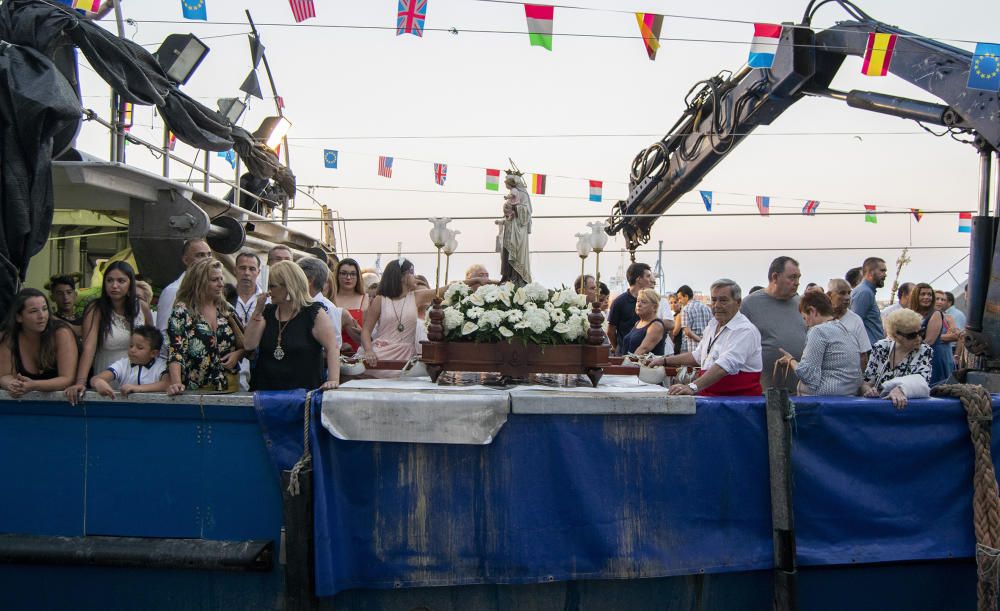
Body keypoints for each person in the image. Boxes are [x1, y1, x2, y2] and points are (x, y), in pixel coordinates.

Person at [650, 279, 763, 396]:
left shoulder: (744, 330)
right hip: (712, 398)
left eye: (723, 300)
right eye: (714, 300)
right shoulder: (713, 325)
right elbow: (697, 356)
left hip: (737, 403)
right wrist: (664, 361)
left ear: (738, 302)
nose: (717, 305)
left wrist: (692, 387)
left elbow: (724, 366)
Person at [66, 261, 154, 404]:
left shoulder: (142, 307)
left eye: (121, 281)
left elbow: (153, 344)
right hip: (105, 377)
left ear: (130, 283)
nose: (114, 285)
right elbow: (89, 348)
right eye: (109, 280)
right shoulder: (96, 308)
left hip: (137, 380)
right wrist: (80, 382)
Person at [244, 261, 340, 391]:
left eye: (272, 286)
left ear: (288, 287)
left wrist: (333, 380)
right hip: (266, 392)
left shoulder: (314, 313)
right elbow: (249, 344)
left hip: (301, 395)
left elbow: (332, 347)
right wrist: (257, 311)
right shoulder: (267, 312)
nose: (269, 291)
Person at [164, 258, 244, 394]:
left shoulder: (226, 309)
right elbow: (176, 352)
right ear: (198, 282)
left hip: (229, 388)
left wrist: (238, 354)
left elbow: (245, 343)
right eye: (214, 280)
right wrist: (176, 383)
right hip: (195, 390)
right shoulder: (182, 312)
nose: (221, 284)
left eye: (221, 279)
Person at [775, 291, 862, 396]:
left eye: (805, 318)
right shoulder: (846, 331)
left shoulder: (818, 331)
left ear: (812, 311)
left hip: (822, 400)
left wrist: (790, 360)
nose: (806, 324)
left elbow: (808, 375)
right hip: (848, 395)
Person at [740, 256, 806, 392]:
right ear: (775, 277)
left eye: (798, 278)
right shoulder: (749, 305)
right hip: (764, 392)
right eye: (792, 277)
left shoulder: (801, 304)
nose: (797, 282)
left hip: (799, 390)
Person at [0, 289, 78, 397]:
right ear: (19, 317)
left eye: (45, 309)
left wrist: (34, 385)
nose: (41, 316)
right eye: (33, 311)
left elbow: (67, 379)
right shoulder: (9, 337)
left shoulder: (61, 333)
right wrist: (13, 384)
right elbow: (4, 375)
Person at [361, 257, 439, 365]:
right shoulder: (380, 300)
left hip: (406, 356)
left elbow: (444, 290)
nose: (415, 276)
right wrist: (369, 350)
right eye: (412, 272)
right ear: (402, 276)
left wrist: (470, 282)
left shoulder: (416, 297)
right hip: (381, 354)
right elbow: (366, 330)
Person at [861, 308, 933, 408]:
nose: (918, 338)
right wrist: (868, 390)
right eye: (911, 335)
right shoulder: (881, 347)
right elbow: (866, 383)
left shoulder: (925, 350)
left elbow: (922, 382)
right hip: (878, 408)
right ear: (896, 335)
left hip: (907, 409)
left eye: (920, 332)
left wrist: (901, 389)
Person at [90, 326, 169, 398]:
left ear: (154, 353)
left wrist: (138, 388)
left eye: (139, 348)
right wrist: (99, 382)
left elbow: (167, 384)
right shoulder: (123, 364)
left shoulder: (161, 365)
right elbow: (96, 379)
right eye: (131, 346)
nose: (132, 350)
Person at [156, 239, 213, 331]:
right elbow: (163, 332)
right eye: (200, 255)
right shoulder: (173, 291)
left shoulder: (214, 290)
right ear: (186, 260)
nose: (207, 259)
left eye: (209, 254)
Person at [909, 283, 954, 385]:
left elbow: (929, 341)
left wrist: (906, 349)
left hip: (931, 360)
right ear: (916, 296)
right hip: (914, 360)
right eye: (923, 294)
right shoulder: (910, 313)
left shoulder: (936, 314)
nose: (926, 297)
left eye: (929, 294)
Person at [298, 257, 344, 351]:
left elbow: (335, 344)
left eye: (297, 277)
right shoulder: (293, 303)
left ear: (309, 280)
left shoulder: (329, 308)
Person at [827, 278, 872, 370]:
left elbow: (863, 355)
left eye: (849, 293)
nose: (847, 297)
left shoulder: (856, 320)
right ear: (829, 295)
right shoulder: (821, 318)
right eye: (842, 293)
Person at [608, 262, 653, 355]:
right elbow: (610, 331)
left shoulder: (651, 301)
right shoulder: (619, 302)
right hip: (625, 356)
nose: (651, 280)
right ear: (639, 279)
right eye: (648, 276)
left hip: (646, 355)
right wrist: (619, 348)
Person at [499, 173, 532, 286]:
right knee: (507, 250)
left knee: (517, 253)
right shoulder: (512, 193)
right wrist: (506, 208)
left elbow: (527, 211)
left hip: (519, 228)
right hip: (510, 226)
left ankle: (518, 278)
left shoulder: (523, 194)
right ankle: (507, 276)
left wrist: (514, 208)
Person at [332, 258, 369, 353]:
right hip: (332, 354)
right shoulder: (329, 298)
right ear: (337, 275)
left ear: (358, 277)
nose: (348, 277)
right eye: (344, 273)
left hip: (358, 355)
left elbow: (371, 331)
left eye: (353, 274)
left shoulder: (366, 298)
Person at [620, 288, 669, 356]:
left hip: (643, 366)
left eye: (644, 302)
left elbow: (643, 349)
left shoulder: (656, 326)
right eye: (638, 301)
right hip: (630, 364)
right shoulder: (638, 323)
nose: (639, 304)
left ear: (654, 307)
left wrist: (626, 364)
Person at [850, 257, 887, 345]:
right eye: (882, 271)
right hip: (869, 350)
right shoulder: (864, 292)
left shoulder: (867, 291)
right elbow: (855, 323)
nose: (885, 275)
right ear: (870, 272)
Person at [230, 251, 263, 328]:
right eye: (242, 268)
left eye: (252, 269)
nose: (246, 273)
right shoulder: (225, 297)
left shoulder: (268, 299)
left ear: (258, 272)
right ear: (235, 270)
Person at [677, 284, 712, 354]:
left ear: (686, 297)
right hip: (707, 347)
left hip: (693, 348)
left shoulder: (685, 309)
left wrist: (700, 340)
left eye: (680, 298)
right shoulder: (706, 307)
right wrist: (704, 342)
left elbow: (687, 331)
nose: (679, 301)